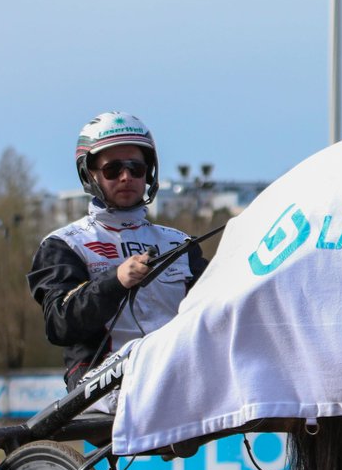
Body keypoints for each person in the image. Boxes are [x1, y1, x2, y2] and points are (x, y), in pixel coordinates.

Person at [28, 112, 208, 391]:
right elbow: (59, 325)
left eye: (136, 169)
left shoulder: (180, 244)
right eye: (113, 170)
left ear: (148, 173)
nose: (126, 177)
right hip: (104, 386)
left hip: (178, 377)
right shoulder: (64, 244)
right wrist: (116, 281)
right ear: (89, 175)